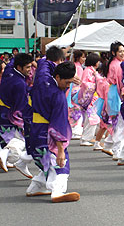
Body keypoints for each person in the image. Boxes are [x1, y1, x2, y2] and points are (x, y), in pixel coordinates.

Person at [27, 62, 80, 203]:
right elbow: (57, 127)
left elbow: (44, 63)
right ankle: (57, 191)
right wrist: (61, 150)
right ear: (57, 76)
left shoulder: (42, 78)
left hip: (34, 130)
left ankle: (35, 187)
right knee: (61, 165)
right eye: (67, 82)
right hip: (47, 134)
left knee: (45, 164)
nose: (68, 86)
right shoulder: (58, 97)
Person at [101, 42, 124, 160]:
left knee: (118, 123)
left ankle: (108, 145)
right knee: (119, 124)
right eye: (120, 51)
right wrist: (123, 93)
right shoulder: (117, 65)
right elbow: (120, 82)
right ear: (114, 53)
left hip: (113, 92)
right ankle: (117, 150)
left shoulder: (115, 62)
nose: (123, 54)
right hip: (117, 93)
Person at [0, 53, 33, 177]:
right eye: (28, 67)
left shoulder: (9, 70)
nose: (30, 70)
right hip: (10, 114)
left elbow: (12, 61)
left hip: (2, 109)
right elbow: (21, 108)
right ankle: (6, 154)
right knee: (20, 140)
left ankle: (7, 157)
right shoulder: (20, 84)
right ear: (19, 67)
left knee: (4, 137)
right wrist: (24, 125)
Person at [77, 53, 103, 148]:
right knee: (92, 119)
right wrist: (95, 83)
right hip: (90, 97)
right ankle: (85, 138)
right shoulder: (88, 71)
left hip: (92, 97)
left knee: (92, 119)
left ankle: (87, 137)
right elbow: (85, 83)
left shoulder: (90, 70)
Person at [69, 50, 86, 141]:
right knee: (77, 110)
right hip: (76, 90)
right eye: (83, 57)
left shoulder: (73, 65)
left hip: (71, 90)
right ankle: (76, 130)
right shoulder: (79, 68)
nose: (84, 59)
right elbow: (79, 81)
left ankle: (73, 130)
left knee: (72, 111)